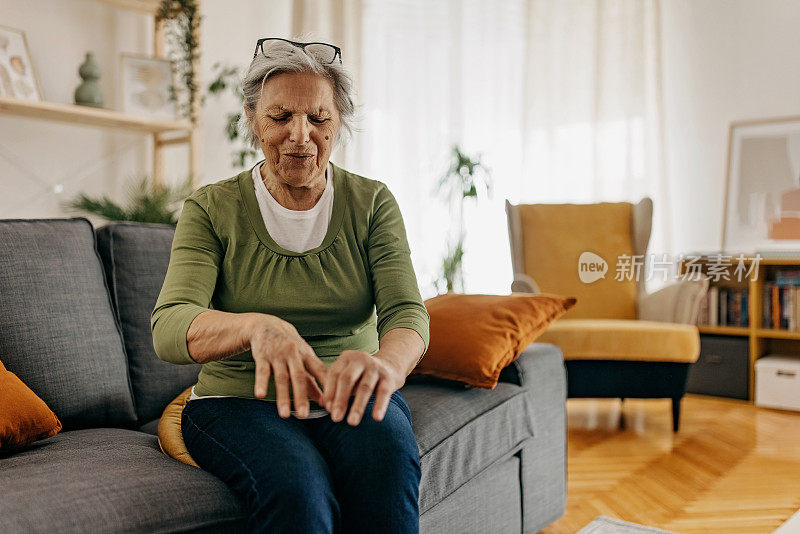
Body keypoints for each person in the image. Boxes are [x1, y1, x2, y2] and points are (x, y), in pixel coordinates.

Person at [150, 37, 430, 534]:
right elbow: (171, 325)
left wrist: (385, 366)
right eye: (280, 118)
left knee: (387, 465)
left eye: (318, 119)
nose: (300, 136)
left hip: (350, 393)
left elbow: (407, 313)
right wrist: (255, 328)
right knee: (299, 492)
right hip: (238, 401)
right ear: (253, 119)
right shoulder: (211, 208)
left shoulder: (371, 204)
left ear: (339, 123)